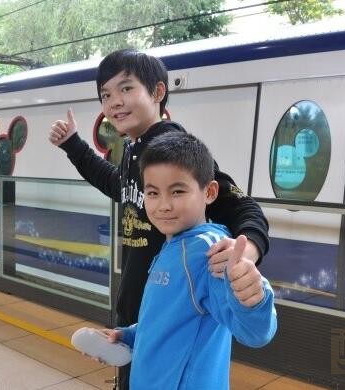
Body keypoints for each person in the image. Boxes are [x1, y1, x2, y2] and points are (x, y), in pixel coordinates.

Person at [48, 49, 270, 389]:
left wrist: (247, 254)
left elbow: (241, 206)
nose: (114, 102)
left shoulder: (172, 148)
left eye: (126, 88)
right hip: (144, 311)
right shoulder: (134, 148)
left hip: (174, 311)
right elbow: (117, 185)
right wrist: (73, 145)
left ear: (157, 92)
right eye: (105, 95)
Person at [89, 131, 277, 389]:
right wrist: (129, 335)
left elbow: (255, 333)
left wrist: (254, 299)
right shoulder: (172, 245)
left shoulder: (208, 252)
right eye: (152, 193)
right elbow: (168, 319)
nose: (163, 205)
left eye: (177, 191)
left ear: (210, 192)